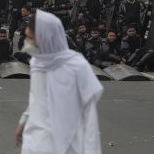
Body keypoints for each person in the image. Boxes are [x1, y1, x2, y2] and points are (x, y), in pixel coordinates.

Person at [14, 10, 103, 154]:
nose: (27, 42)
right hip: (35, 141)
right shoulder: (38, 62)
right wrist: (23, 122)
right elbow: (37, 99)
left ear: (46, 38)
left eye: (31, 38)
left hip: (65, 143)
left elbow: (89, 117)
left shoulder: (76, 67)